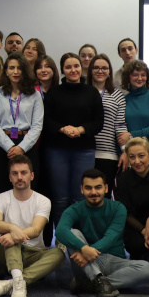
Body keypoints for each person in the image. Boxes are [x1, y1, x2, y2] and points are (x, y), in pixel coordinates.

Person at [57, 169, 149, 297]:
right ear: (81, 189)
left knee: (147, 268)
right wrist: (84, 248)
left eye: (98, 187)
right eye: (88, 188)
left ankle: (92, 284)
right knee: (72, 233)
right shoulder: (75, 209)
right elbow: (60, 231)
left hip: (112, 259)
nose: (94, 192)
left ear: (106, 188)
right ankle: (99, 281)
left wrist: (88, 251)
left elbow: (111, 237)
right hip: (85, 264)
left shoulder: (118, 208)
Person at [0, 155, 64, 297]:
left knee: (59, 253)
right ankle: (18, 281)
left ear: (32, 175)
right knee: (11, 238)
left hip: (34, 254)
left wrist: (14, 233)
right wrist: (13, 228)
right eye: (15, 173)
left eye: (23, 173)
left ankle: (15, 282)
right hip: (6, 253)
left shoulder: (43, 201)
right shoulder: (1, 198)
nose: (19, 177)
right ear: (10, 177)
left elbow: (36, 230)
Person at [43, 52, 103, 223]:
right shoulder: (54, 93)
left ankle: (78, 237)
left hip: (84, 150)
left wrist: (80, 130)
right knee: (60, 198)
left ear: (81, 67)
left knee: (80, 196)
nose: (73, 70)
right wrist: (63, 129)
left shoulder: (91, 92)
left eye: (76, 66)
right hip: (56, 150)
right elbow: (46, 121)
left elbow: (99, 122)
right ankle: (62, 238)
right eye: (68, 67)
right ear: (62, 70)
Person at [0, 52, 44, 194]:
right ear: (6, 71)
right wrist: (9, 147)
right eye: (11, 68)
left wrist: (22, 148)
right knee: (1, 189)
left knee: (26, 190)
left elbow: (37, 125)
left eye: (19, 68)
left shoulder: (35, 95)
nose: (15, 71)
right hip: (2, 147)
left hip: (26, 145)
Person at [114, 137, 149, 269]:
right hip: (136, 225)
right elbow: (125, 213)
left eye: (141, 156)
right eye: (132, 157)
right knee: (134, 243)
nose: (137, 161)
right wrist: (144, 230)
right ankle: (144, 258)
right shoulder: (123, 179)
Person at [88, 54, 128, 194]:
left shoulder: (117, 95)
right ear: (90, 70)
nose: (100, 71)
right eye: (96, 68)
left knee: (103, 195)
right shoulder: (83, 91)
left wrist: (124, 150)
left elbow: (120, 125)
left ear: (109, 71)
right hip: (84, 152)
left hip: (108, 154)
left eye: (104, 68)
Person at [120, 60, 149, 166]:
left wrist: (132, 135)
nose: (140, 78)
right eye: (135, 75)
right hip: (131, 154)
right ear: (128, 77)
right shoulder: (123, 99)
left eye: (143, 75)